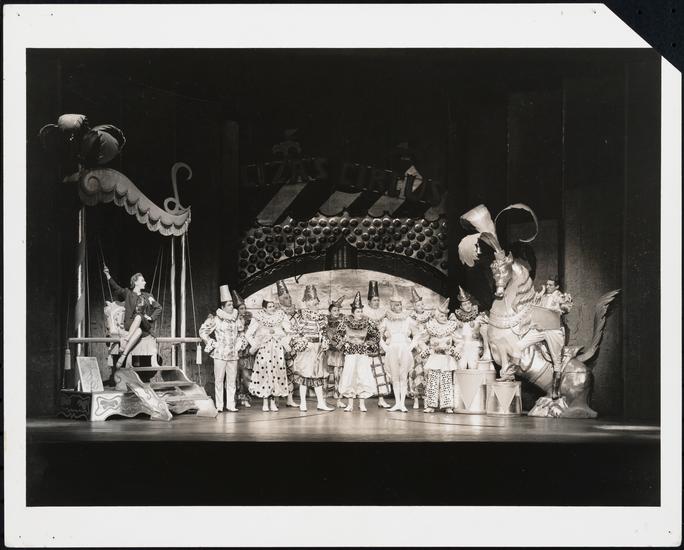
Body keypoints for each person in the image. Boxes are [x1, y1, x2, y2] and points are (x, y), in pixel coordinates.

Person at [103, 266, 162, 369]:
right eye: (142, 280)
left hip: (144, 325)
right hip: (130, 324)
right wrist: (108, 275)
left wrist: (151, 318)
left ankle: (125, 341)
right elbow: (116, 287)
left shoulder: (148, 296)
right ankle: (123, 356)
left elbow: (159, 307)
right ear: (135, 282)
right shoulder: (128, 293)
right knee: (138, 331)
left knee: (139, 317)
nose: (145, 282)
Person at [526, 275, 574, 397]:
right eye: (547, 284)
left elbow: (566, 308)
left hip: (554, 329)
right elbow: (534, 308)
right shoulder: (544, 296)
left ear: (557, 286)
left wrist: (561, 305)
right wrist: (539, 296)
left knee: (556, 360)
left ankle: (555, 390)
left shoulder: (560, 296)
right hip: (541, 329)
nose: (547, 287)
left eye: (550, 285)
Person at [246, 288, 293, 412]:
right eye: (270, 306)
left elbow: (289, 331)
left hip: (277, 349)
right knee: (264, 374)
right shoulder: (258, 317)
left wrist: (284, 342)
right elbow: (248, 334)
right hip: (264, 350)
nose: (272, 308)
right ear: (264, 308)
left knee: (276, 374)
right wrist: (256, 344)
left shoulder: (280, 316)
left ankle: (273, 402)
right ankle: (265, 402)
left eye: (273, 306)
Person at [199, 285, 243, 412]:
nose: (231, 307)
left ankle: (231, 404)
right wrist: (212, 343)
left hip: (233, 354)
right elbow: (203, 331)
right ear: (223, 307)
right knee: (219, 380)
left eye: (232, 304)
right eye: (228, 305)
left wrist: (239, 343)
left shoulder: (236, 320)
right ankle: (219, 405)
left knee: (231, 380)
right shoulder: (216, 319)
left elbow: (241, 332)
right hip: (220, 354)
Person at [290, 285, 334, 412]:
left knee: (317, 376)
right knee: (304, 376)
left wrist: (324, 342)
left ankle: (320, 403)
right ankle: (303, 403)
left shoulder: (321, 317)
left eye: (316, 301)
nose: (315, 304)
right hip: (306, 349)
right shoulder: (300, 316)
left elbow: (324, 333)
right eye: (312, 301)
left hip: (317, 350)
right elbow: (294, 333)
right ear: (307, 302)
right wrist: (303, 342)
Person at [338, 292, 380, 412]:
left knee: (362, 376)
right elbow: (337, 335)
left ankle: (362, 404)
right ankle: (350, 404)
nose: (360, 313)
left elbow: (376, 335)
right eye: (357, 311)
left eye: (361, 311)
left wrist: (368, 344)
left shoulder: (367, 321)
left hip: (362, 353)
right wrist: (344, 344)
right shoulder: (346, 321)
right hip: (351, 353)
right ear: (353, 312)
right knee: (350, 376)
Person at [379, 286, 418, 412]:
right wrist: (386, 348)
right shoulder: (386, 320)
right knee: (395, 377)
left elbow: (416, 334)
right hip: (392, 349)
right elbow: (378, 336)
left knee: (403, 376)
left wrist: (410, 347)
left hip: (404, 348)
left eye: (400, 304)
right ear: (392, 306)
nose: (399, 307)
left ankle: (402, 403)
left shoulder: (408, 319)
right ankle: (397, 403)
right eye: (396, 305)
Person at [422, 297, 460, 413]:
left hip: (446, 358)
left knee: (446, 381)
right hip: (435, 357)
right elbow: (422, 340)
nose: (444, 318)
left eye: (445, 316)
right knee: (433, 381)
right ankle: (431, 405)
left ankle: (447, 405)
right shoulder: (431, 327)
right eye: (442, 316)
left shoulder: (450, 327)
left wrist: (454, 350)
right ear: (437, 316)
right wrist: (427, 349)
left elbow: (459, 341)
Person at [365, 280, 391, 408]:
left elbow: (387, 329)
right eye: (374, 300)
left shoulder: (383, 313)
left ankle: (381, 399)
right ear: (369, 301)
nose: (376, 302)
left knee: (381, 372)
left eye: (377, 300)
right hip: (368, 347)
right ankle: (362, 400)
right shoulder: (364, 313)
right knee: (366, 372)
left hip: (380, 347)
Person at [451, 286, 490, 370]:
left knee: (474, 367)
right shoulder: (456, 319)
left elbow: (487, 328)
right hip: (461, 347)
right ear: (461, 307)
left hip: (474, 346)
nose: (468, 306)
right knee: (461, 367)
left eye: (469, 303)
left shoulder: (478, 317)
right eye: (465, 304)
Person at [275, 279, 300, 408]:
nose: (289, 299)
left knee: (291, 372)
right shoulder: (277, 314)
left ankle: (290, 399)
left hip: (292, 347)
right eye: (285, 298)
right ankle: (275, 399)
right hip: (279, 347)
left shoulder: (297, 313)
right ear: (279, 300)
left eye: (289, 297)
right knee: (277, 372)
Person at [408, 287, 431, 409]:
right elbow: (409, 334)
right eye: (418, 305)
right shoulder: (410, 319)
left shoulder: (429, 317)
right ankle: (416, 398)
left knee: (427, 372)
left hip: (427, 347)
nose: (421, 306)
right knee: (417, 373)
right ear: (414, 306)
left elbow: (433, 331)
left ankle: (427, 398)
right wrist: (415, 345)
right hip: (416, 348)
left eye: (422, 304)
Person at [325, 296, 347, 408]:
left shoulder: (343, 321)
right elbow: (327, 334)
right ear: (330, 311)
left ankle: (339, 398)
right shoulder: (326, 321)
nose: (337, 312)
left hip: (339, 351)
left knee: (339, 374)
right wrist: (333, 343)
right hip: (330, 351)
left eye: (338, 310)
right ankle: (324, 399)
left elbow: (346, 334)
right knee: (327, 374)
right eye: (334, 310)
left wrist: (341, 343)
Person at [233, 289, 254, 408]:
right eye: (241, 308)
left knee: (246, 375)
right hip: (235, 351)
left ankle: (244, 396)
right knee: (235, 376)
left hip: (246, 352)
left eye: (244, 308)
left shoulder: (249, 320)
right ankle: (234, 398)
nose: (243, 310)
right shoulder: (232, 321)